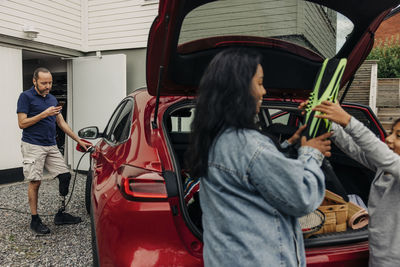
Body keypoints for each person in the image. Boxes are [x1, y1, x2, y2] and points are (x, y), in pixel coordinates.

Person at [186, 48, 332, 266]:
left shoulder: (216, 138)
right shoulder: (250, 145)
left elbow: (252, 173)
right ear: (239, 90)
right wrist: (312, 154)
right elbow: (302, 196)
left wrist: (288, 145)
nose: (264, 91)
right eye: (260, 82)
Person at [312, 100, 400, 267]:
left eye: (398, 136)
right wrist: (328, 121)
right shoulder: (384, 166)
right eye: (391, 133)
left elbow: (378, 151)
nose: (388, 139)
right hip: (378, 256)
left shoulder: (392, 164)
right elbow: (354, 148)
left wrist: (348, 120)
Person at [17, 67, 89, 235]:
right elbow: (22, 123)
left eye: (49, 82)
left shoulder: (52, 98)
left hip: (51, 145)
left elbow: (61, 123)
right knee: (35, 182)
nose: (47, 86)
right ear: (34, 81)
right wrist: (43, 114)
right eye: (44, 83)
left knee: (65, 176)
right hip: (33, 145)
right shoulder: (25, 97)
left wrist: (79, 140)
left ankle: (60, 214)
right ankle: (35, 220)